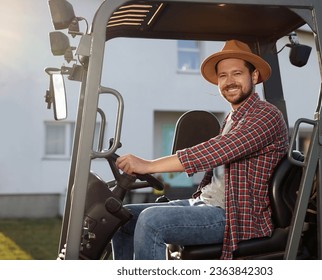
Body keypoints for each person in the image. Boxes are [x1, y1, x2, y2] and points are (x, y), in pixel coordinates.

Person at [112, 40, 289, 260]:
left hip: (236, 215)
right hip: (206, 203)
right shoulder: (233, 118)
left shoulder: (266, 115)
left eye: (237, 73)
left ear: (253, 77)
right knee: (122, 217)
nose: (229, 81)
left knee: (151, 222)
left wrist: (148, 165)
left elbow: (219, 150)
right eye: (223, 76)